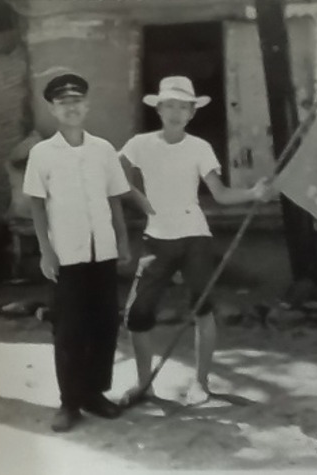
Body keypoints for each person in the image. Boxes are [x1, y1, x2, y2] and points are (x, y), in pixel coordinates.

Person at [119, 76, 273, 406]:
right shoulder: (139, 144)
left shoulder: (199, 147)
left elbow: (219, 192)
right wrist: (139, 199)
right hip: (156, 238)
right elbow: (113, 174)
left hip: (194, 237)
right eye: (170, 105)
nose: (176, 112)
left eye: (183, 107)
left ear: (192, 113)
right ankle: (143, 384)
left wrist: (252, 193)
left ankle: (201, 383)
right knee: (137, 314)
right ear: (159, 109)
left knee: (202, 309)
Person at [23, 73, 132, 432]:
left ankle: (94, 394)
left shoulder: (103, 150)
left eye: (77, 102)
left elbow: (114, 199)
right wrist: (46, 252)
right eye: (63, 103)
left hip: (102, 250)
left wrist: (123, 241)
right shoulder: (42, 153)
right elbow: (37, 205)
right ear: (53, 109)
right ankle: (69, 402)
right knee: (69, 329)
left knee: (104, 324)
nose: (71, 108)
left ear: (87, 106)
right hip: (66, 254)